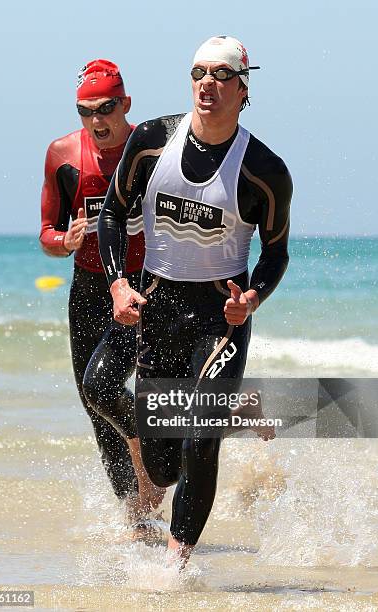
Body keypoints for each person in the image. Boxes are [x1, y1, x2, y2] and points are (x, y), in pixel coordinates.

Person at [98, 35, 293, 564]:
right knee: (148, 449)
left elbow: (276, 254)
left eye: (222, 74)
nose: (208, 83)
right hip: (156, 302)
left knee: (200, 437)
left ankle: (175, 562)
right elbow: (114, 213)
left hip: (219, 316)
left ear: (242, 87)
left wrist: (251, 297)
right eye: (199, 72)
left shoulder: (264, 171)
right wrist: (118, 282)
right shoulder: (151, 139)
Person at [39, 59, 161, 530]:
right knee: (95, 404)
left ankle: (153, 455)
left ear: (125, 104)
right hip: (89, 288)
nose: (97, 121)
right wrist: (63, 242)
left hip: (143, 287)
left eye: (106, 109)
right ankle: (137, 517)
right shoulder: (62, 154)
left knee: (103, 386)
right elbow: (46, 234)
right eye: (86, 111)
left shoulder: (153, 148)